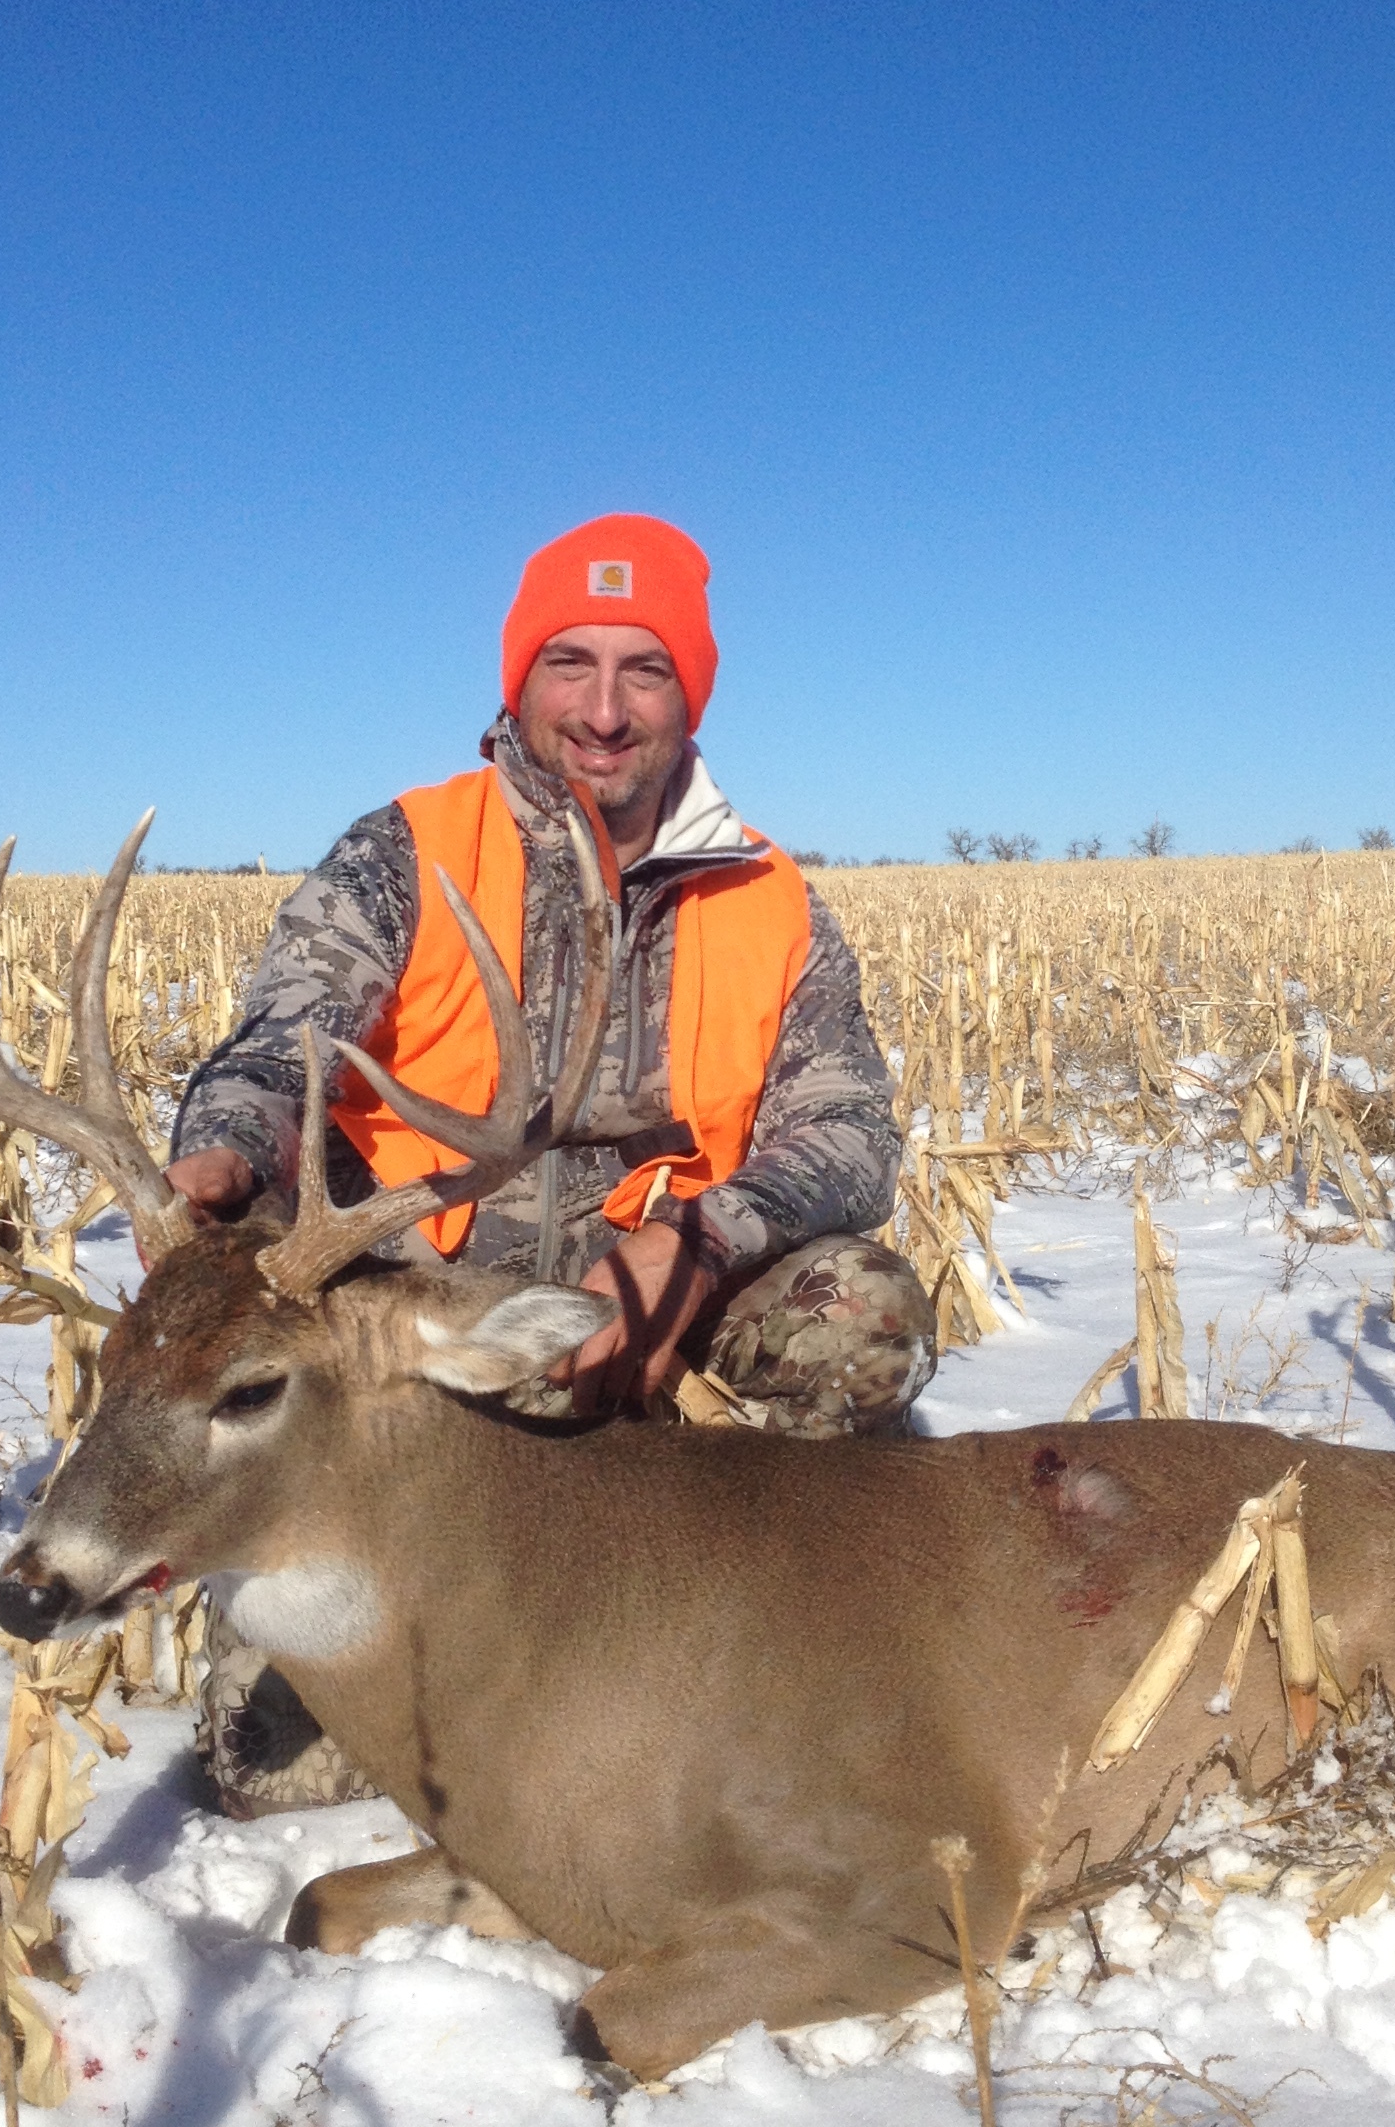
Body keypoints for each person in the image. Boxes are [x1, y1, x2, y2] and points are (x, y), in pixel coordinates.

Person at [164, 512, 934, 1813]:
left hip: (659, 1322)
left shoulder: (768, 895)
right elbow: (284, 1041)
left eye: (648, 670)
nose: (605, 707)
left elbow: (852, 1136)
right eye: (570, 661)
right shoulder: (407, 852)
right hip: (428, 1335)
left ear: (693, 693)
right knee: (276, 1768)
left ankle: (753, 1628)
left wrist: (699, 1245)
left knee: (854, 1314)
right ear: (518, 677)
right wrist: (230, 1147)